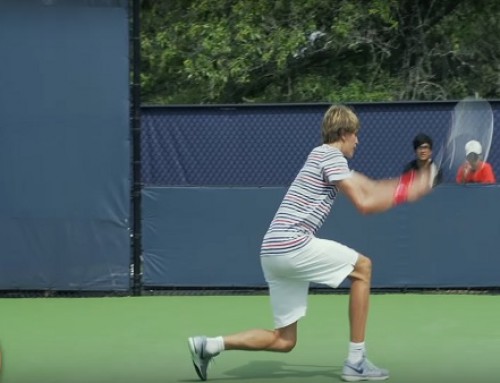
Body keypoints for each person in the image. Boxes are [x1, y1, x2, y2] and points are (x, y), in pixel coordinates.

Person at [188, 104, 433, 382]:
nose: (358, 140)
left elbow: (372, 188)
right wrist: (411, 192)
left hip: (272, 251)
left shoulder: (321, 156)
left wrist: (412, 184)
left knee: (284, 340)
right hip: (292, 243)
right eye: (355, 134)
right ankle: (356, 361)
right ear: (343, 133)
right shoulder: (331, 156)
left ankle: (209, 345)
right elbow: (365, 203)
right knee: (363, 268)